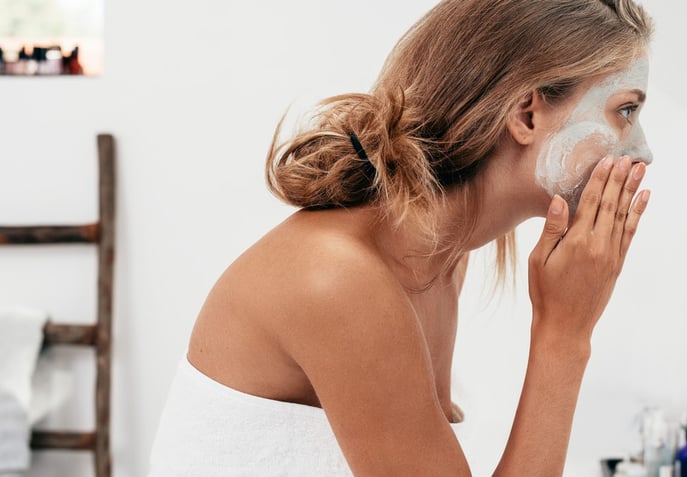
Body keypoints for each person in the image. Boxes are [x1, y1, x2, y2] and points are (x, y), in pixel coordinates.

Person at [148, 0, 654, 475]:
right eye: (625, 110)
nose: (644, 151)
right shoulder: (338, 279)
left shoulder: (440, 256)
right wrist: (563, 335)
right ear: (527, 114)